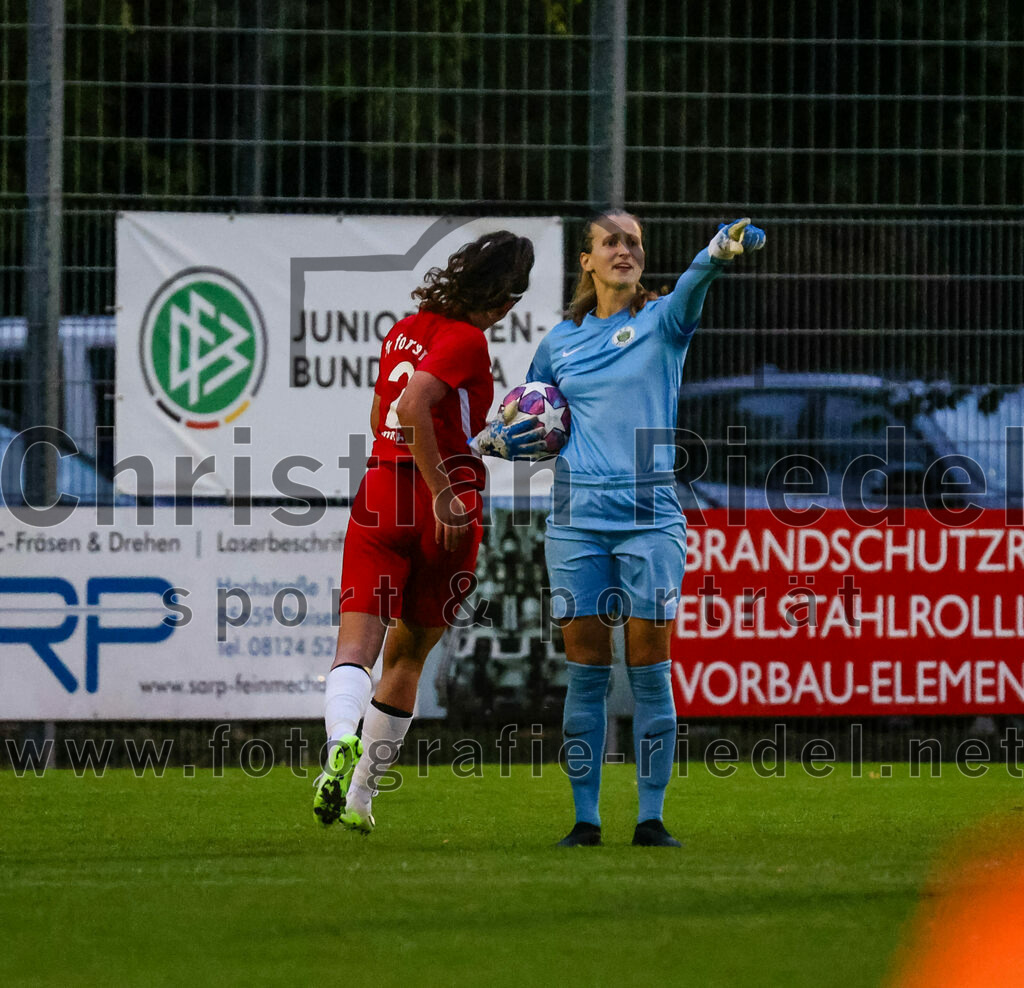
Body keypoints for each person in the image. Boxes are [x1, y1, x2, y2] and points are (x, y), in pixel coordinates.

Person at [478, 212, 765, 847]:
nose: (624, 250)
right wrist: (497, 439)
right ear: (586, 261)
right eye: (611, 241)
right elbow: (529, 420)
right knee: (584, 669)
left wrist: (716, 252)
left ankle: (652, 819)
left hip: (650, 519)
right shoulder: (560, 343)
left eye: (633, 241)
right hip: (578, 521)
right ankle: (584, 820)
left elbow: (695, 283)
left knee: (648, 666)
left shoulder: (664, 321)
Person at [313, 230, 541, 834]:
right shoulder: (467, 341)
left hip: (382, 491)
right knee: (408, 657)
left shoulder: (405, 329)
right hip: (446, 508)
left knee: (354, 649)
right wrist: (444, 491)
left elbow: (385, 413)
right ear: (505, 300)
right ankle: (361, 796)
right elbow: (418, 406)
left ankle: (340, 741)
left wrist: (472, 440)